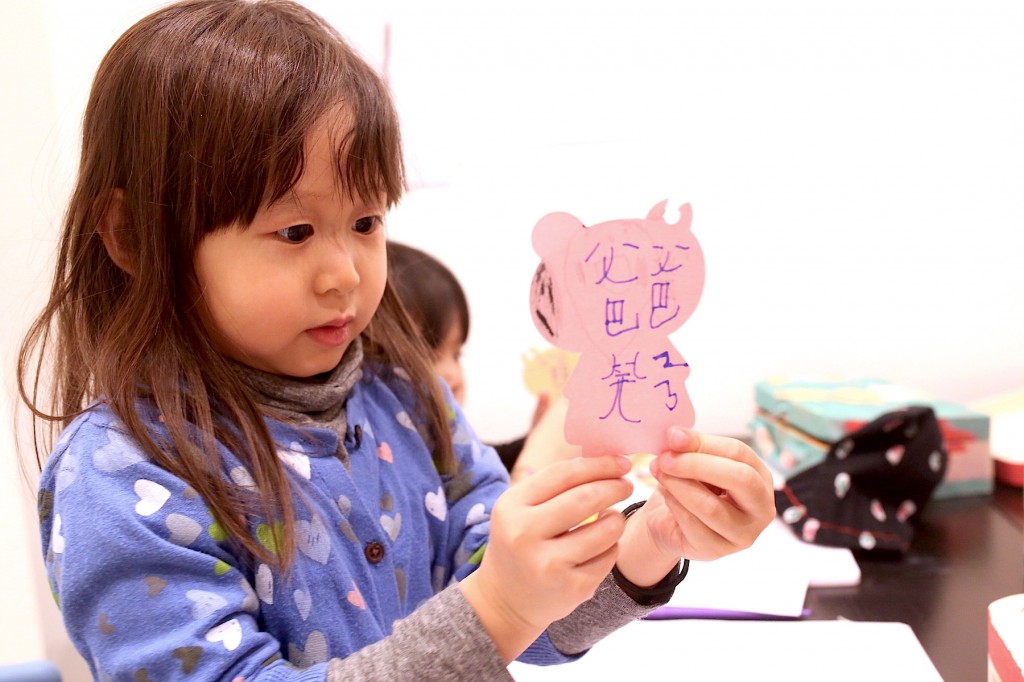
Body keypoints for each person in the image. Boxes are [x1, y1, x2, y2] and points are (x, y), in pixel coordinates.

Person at [16, 1, 776, 680]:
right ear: (134, 238)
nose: (345, 273)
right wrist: (500, 609)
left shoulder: (401, 394)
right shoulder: (119, 478)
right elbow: (496, 614)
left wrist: (652, 542)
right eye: (294, 230)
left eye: (367, 223)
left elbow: (521, 604)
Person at [386, 240, 578, 480]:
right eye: (428, 357)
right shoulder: (394, 474)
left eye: (456, 355)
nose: (452, 375)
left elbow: (486, 465)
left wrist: (535, 439)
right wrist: (539, 460)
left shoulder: (451, 443)